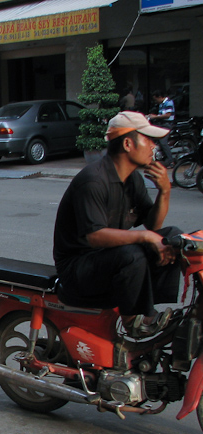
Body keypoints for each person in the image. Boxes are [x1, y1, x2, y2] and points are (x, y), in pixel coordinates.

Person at [53, 111, 180, 339]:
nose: (154, 146)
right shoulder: (93, 180)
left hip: (107, 260)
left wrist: (165, 191)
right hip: (78, 269)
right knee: (133, 253)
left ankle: (149, 310)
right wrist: (145, 237)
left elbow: (153, 225)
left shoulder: (133, 179)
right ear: (128, 144)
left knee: (173, 237)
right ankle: (134, 321)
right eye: (148, 139)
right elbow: (95, 237)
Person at [147, 89, 175, 167]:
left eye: (155, 99)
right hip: (162, 124)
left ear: (160, 97)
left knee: (163, 142)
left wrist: (155, 116)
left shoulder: (168, 102)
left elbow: (167, 115)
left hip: (167, 125)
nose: (155, 101)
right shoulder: (161, 104)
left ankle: (170, 161)